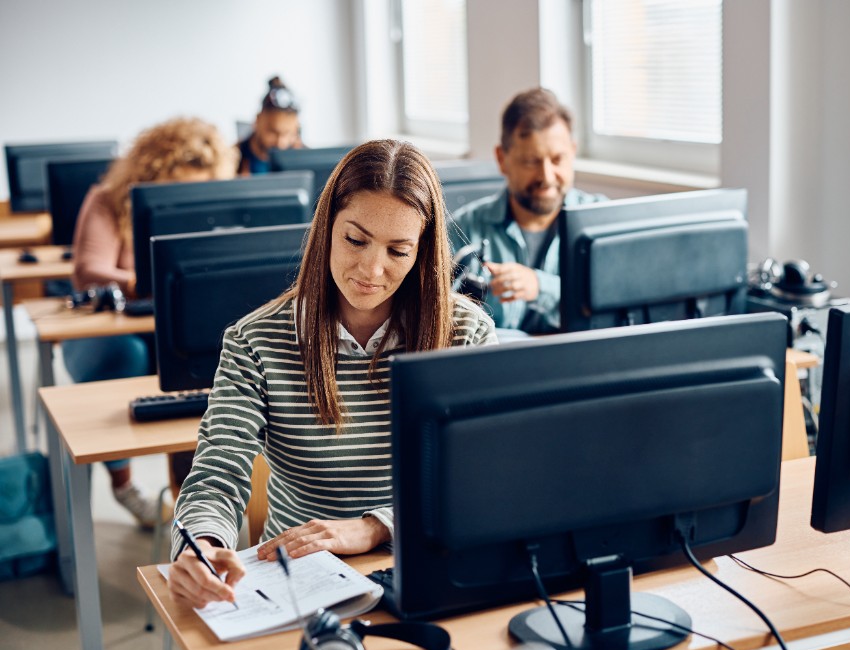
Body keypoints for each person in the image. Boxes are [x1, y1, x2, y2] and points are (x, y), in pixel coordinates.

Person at [168, 139, 497, 608]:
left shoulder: (466, 334)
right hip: (297, 577)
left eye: (398, 251)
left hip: (421, 566)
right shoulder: (253, 342)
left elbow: (480, 480)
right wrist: (201, 545)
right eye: (355, 240)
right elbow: (217, 477)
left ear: (422, 253)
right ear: (327, 229)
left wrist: (374, 527)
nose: (371, 268)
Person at [67, 117, 237, 528]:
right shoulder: (108, 199)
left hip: (178, 328)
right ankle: (124, 484)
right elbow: (90, 268)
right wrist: (159, 278)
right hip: (110, 331)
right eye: (176, 186)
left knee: (207, 363)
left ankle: (195, 503)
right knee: (130, 354)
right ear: (152, 173)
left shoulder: (210, 201)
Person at [448, 87, 605, 335]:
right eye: (531, 161)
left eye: (557, 160)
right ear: (502, 159)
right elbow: (440, 322)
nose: (546, 176)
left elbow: (617, 305)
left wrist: (541, 287)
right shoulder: (461, 230)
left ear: (572, 153)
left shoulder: (604, 221)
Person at [236, 76, 303, 175]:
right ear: (257, 120)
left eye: (288, 133)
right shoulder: (233, 158)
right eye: (272, 132)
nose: (281, 143)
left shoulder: (305, 158)